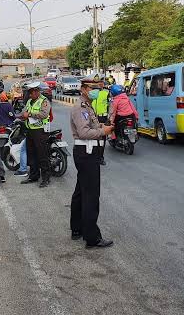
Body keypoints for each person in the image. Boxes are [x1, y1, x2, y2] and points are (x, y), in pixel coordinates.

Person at [70, 73, 114, 249]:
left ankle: (77, 228)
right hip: (86, 153)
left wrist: (104, 127)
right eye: (92, 88)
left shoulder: (87, 105)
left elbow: (92, 126)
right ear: (83, 89)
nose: (95, 91)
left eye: (97, 88)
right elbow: (84, 133)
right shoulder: (81, 107)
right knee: (91, 196)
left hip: (87, 153)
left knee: (81, 191)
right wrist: (104, 132)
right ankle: (92, 237)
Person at [19, 81, 52, 188]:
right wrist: (21, 116)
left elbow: (44, 114)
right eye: (29, 93)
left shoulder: (44, 101)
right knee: (31, 154)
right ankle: (34, 176)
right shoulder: (29, 101)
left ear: (37, 92)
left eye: (31, 92)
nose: (29, 95)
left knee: (42, 155)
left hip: (40, 131)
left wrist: (29, 114)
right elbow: (24, 111)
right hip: (30, 131)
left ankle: (46, 178)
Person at [91, 83, 110, 166]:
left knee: (102, 139)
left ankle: (100, 158)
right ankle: (92, 156)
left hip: (103, 118)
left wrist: (109, 118)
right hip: (92, 118)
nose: (99, 85)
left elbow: (110, 106)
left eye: (101, 84)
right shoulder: (91, 94)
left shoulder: (106, 93)